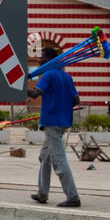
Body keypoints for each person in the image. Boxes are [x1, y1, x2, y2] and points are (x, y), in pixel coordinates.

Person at [26, 47, 81, 207]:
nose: (40, 60)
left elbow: (36, 94)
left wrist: (17, 88)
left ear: (50, 58)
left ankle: (73, 197)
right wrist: (61, 106)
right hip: (62, 122)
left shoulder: (48, 74)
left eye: (42, 56)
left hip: (51, 122)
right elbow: (75, 100)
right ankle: (42, 193)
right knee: (45, 156)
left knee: (59, 159)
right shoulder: (67, 77)